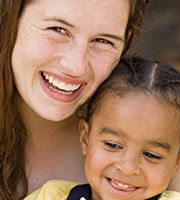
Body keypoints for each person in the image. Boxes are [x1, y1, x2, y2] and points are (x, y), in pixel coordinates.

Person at [0, 0, 148, 199]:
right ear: (10, 21)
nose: (76, 66)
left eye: (103, 41)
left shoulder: (171, 154)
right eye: (57, 29)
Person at [27, 56, 180, 200]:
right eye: (113, 145)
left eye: (151, 155)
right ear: (86, 137)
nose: (128, 168)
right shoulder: (51, 196)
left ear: (178, 161)